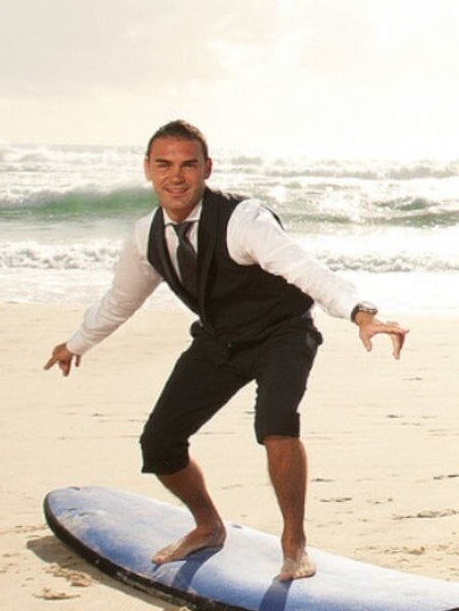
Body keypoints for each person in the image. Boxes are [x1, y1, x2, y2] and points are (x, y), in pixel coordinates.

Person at [45, 120, 407, 580]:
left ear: (207, 169)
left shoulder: (243, 219)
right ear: (147, 170)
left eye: (188, 165)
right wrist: (77, 343)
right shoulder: (145, 235)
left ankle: (294, 544)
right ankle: (208, 525)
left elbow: (301, 266)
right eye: (164, 164)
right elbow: (121, 299)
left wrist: (360, 312)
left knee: (276, 426)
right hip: (219, 339)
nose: (176, 176)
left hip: (282, 334)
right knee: (159, 444)